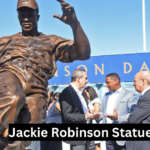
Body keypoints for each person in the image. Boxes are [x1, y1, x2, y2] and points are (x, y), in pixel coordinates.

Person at [0, 0, 91, 149]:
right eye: (22, 15)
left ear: (38, 17)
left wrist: (75, 24)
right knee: (13, 97)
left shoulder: (51, 41)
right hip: (12, 74)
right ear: (18, 17)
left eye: (30, 15)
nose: (26, 19)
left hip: (37, 88)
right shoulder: (6, 41)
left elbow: (83, 53)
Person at [59, 69, 100, 150]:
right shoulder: (67, 92)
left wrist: (92, 116)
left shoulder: (80, 93)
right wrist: (85, 117)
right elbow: (67, 115)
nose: (87, 81)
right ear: (78, 79)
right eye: (86, 78)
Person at [98, 73, 138, 150]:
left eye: (108, 82)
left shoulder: (130, 94)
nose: (106, 85)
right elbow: (102, 112)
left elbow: (133, 114)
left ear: (116, 81)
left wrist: (118, 117)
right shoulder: (105, 95)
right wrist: (97, 115)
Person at [126, 71, 150, 150]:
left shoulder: (147, 96)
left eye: (135, 81)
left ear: (143, 81)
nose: (133, 84)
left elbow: (132, 119)